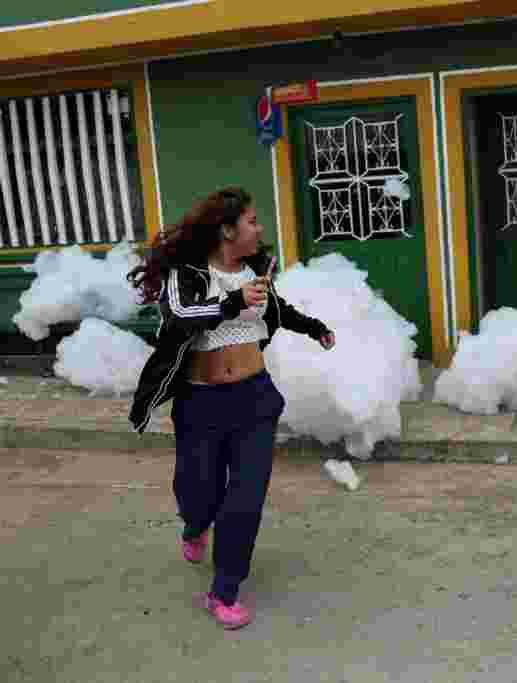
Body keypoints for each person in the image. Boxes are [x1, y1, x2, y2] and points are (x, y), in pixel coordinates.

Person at [127, 187, 335, 630]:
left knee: (246, 497)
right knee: (198, 492)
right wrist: (232, 302)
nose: (260, 229)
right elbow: (182, 317)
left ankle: (225, 588)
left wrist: (314, 327)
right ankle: (195, 525)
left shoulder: (258, 271)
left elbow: (276, 309)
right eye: (253, 221)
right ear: (227, 230)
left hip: (254, 399)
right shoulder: (187, 275)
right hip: (201, 403)